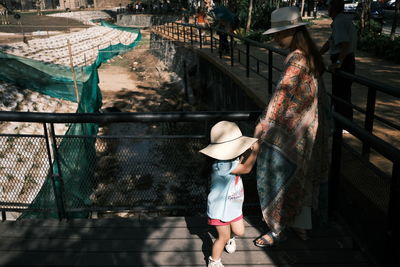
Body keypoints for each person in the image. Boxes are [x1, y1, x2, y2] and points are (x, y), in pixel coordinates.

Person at [253, 6, 331, 247]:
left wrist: (262, 125)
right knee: (301, 178)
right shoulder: (310, 56)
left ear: (293, 32)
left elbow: (280, 97)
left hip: (289, 134)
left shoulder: (295, 60)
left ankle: (276, 229)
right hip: (308, 130)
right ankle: (301, 226)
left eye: (280, 33)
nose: (276, 38)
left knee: (277, 177)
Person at [199, 121, 260, 267]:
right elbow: (246, 169)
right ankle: (214, 261)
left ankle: (230, 238)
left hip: (233, 207)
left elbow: (241, 162)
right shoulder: (222, 164)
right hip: (220, 210)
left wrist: (247, 151)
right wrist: (255, 151)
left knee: (239, 232)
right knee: (222, 237)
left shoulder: (230, 158)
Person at [320, 0, 357, 121]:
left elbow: (345, 44)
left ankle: (345, 122)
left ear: (333, 8)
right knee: (340, 94)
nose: (327, 8)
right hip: (345, 60)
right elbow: (330, 41)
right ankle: (341, 121)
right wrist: (317, 54)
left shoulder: (339, 22)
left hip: (344, 61)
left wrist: (338, 63)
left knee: (342, 95)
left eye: (329, 6)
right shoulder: (340, 20)